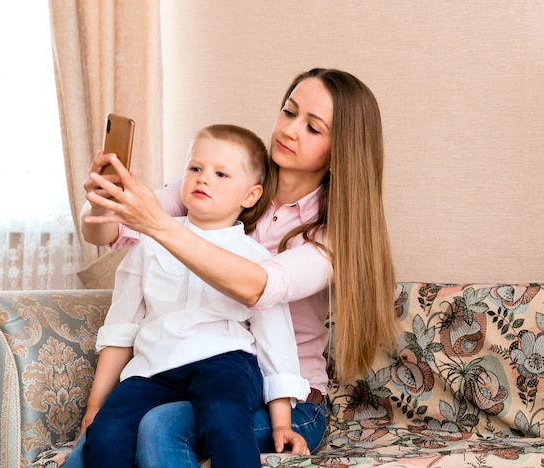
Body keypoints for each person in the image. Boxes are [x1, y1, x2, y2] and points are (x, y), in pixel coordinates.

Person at [81, 68, 397, 466]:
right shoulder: (226, 178)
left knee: (161, 426)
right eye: (289, 112)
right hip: (182, 373)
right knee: (96, 441)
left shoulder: (335, 233)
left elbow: (260, 287)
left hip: (287, 400)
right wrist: (101, 198)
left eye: (313, 128)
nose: (290, 130)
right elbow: (111, 231)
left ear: (342, 149)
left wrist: (158, 226)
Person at [74, 124, 311, 468]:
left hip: (224, 362)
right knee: (106, 436)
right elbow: (121, 327)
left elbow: (276, 343)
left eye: (221, 174)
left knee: (226, 422)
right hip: (153, 368)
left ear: (250, 195)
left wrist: (281, 423)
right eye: (196, 169)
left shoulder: (256, 259)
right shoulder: (148, 245)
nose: (204, 179)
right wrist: (95, 407)